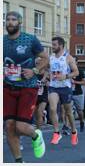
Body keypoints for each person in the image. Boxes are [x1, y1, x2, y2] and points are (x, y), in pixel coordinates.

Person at [4, 11, 48, 162]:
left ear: (20, 22)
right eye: (7, 19)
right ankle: (19, 161)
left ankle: (36, 134)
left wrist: (35, 70)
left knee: (20, 127)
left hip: (28, 87)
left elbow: (46, 58)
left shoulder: (30, 40)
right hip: (8, 87)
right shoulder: (2, 41)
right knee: (9, 125)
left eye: (13, 20)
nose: (10, 22)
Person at [48, 36, 79, 145]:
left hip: (65, 87)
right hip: (53, 86)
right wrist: (47, 76)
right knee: (52, 109)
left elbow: (76, 72)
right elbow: (46, 70)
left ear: (60, 45)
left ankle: (74, 132)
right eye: (52, 45)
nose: (53, 47)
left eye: (54, 45)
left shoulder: (68, 57)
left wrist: (65, 76)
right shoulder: (51, 57)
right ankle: (57, 133)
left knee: (69, 113)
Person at [71, 56, 85, 132]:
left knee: (79, 111)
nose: (72, 63)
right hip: (69, 93)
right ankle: (66, 126)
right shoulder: (68, 71)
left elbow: (84, 83)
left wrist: (75, 82)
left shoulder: (80, 71)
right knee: (67, 110)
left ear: (77, 62)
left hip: (78, 93)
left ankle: (82, 121)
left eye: (73, 61)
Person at [34, 58, 50, 130]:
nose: (38, 65)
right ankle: (38, 127)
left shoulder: (46, 74)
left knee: (40, 112)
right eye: (37, 63)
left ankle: (38, 131)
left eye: (39, 63)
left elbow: (50, 84)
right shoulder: (33, 73)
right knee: (36, 115)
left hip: (43, 96)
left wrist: (47, 82)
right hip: (34, 96)